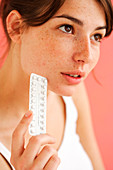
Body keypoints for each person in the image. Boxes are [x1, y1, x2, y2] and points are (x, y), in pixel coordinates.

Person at [0, 0, 113, 169]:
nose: (87, 56)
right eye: (67, 28)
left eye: (96, 36)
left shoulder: (72, 95)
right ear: (16, 27)